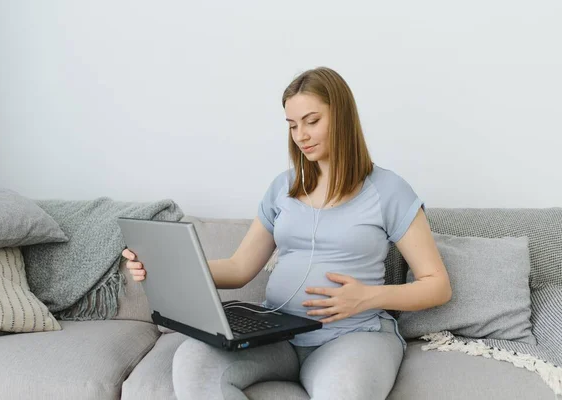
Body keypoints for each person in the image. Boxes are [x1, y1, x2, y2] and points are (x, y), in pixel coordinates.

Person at [122, 66, 452, 400]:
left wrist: (368, 296)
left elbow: (437, 285)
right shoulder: (283, 187)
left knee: (344, 392)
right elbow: (239, 269)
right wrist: (170, 268)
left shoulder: (388, 190)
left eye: (312, 121)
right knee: (193, 361)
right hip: (277, 335)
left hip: (352, 335)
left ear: (343, 117)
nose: (301, 135)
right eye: (292, 125)